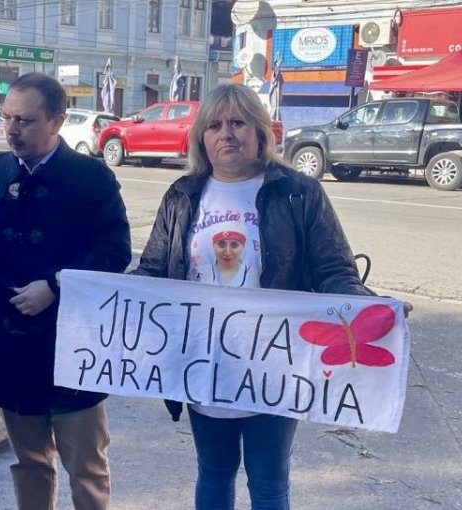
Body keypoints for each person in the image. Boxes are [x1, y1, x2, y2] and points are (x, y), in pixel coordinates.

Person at [131, 83, 413, 510]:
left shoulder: (299, 192)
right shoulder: (183, 195)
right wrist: (98, 296)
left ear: (260, 132)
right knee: (214, 472)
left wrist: (369, 308)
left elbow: (334, 270)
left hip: (274, 365)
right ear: (201, 138)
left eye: (238, 122)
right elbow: (152, 270)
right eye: (214, 125)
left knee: (268, 483)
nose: (226, 133)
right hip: (202, 364)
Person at [0, 72, 131, 510]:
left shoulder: (91, 178)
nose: (11, 129)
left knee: (86, 466)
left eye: (25, 120)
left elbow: (115, 250)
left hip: (74, 347)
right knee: (29, 462)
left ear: (57, 122)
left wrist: (55, 284)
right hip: (12, 346)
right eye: (7, 117)